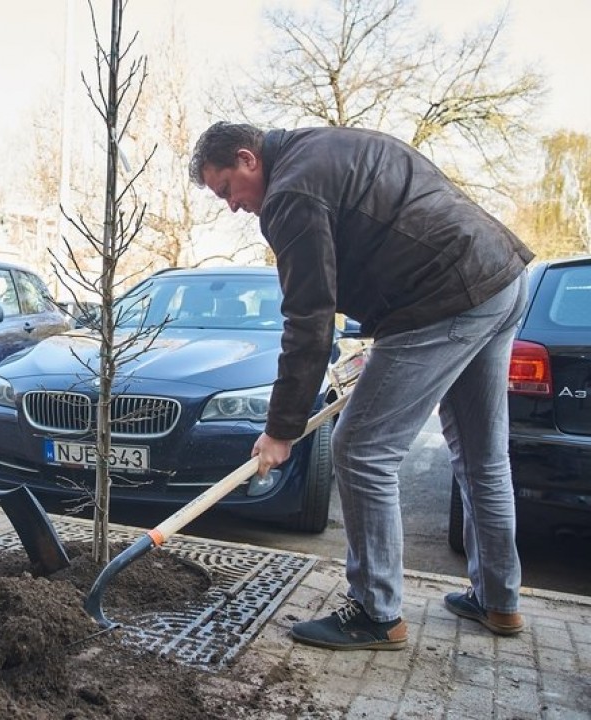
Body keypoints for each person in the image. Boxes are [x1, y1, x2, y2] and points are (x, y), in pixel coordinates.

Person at [189, 122, 533, 651]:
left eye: (226, 189)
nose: (232, 205)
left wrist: (280, 430)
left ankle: (376, 612)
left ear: (247, 158)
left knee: (361, 449)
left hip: (441, 297)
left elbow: (308, 319)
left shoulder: (291, 193)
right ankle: (498, 599)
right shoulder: (331, 145)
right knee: (483, 456)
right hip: (498, 278)